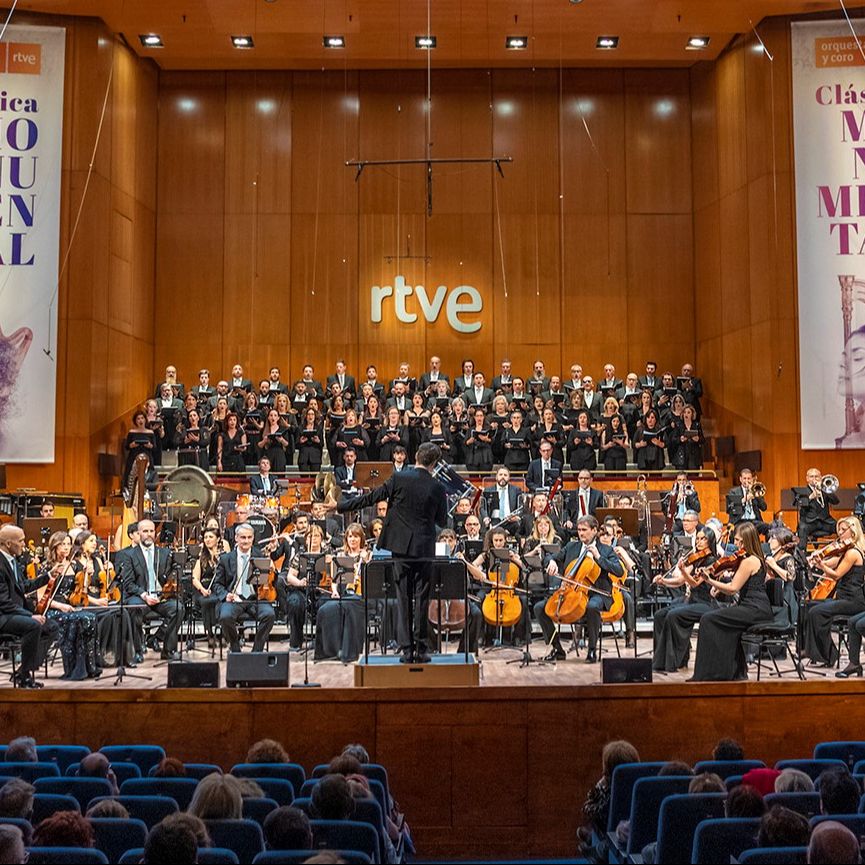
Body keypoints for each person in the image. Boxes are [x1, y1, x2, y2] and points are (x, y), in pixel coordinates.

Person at [336, 442, 448, 663]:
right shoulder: (437, 486)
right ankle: (421, 649)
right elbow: (441, 521)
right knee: (422, 598)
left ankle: (407, 650)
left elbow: (371, 498)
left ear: (415, 456)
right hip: (424, 547)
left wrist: (342, 506)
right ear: (434, 463)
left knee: (403, 597)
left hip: (400, 547)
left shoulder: (399, 478)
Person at [690, 522, 774, 681]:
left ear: (747, 541)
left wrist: (710, 581)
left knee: (708, 619)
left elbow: (733, 588)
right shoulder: (752, 558)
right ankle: (732, 672)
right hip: (754, 607)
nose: (735, 544)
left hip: (755, 609)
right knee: (722, 622)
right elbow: (736, 585)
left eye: (738, 541)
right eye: (736, 540)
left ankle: (709, 673)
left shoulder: (749, 561)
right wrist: (719, 586)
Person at [538, 516, 625, 663]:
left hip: (598, 593)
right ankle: (558, 649)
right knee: (540, 608)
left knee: (592, 606)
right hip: (572, 592)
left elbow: (619, 571)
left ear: (594, 531)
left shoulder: (606, 550)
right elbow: (551, 557)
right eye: (579, 530)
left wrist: (598, 557)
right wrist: (551, 562)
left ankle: (592, 650)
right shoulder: (572, 547)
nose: (581, 533)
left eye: (584, 530)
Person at [651, 527, 718, 673]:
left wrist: (682, 569)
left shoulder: (711, 561)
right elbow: (681, 581)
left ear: (710, 541)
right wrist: (664, 581)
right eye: (698, 538)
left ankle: (674, 660)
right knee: (659, 615)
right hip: (692, 600)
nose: (699, 541)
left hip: (705, 603)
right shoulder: (697, 559)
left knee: (673, 615)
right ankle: (660, 659)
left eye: (703, 539)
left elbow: (694, 583)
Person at [803, 516, 865, 669]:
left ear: (853, 531)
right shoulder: (847, 551)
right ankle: (814, 651)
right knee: (809, 606)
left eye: (844, 530)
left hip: (853, 602)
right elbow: (835, 561)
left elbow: (836, 574)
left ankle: (829, 655)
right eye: (839, 530)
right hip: (844, 599)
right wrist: (816, 561)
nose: (840, 534)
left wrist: (822, 567)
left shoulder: (853, 553)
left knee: (816, 612)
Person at [0, 524, 58, 688]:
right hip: (3, 615)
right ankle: (25, 676)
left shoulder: (12, 561)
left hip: (14, 613)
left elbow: (23, 586)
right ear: (9, 544)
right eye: (21, 541)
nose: (25, 544)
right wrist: (29, 615)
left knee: (51, 626)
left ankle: (22, 671)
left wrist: (48, 576)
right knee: (33, 625)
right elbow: (3, 602)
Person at [118, 519, 183, 662]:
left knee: (178, 608)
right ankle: (137, 650)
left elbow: (171, 576)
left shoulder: (164, 553)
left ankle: (168, 650)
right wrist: (144, 595)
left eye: (151, 531)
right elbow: (128, 583)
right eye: (145, 531)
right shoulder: (129, 555)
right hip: (139, 595)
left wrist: (166, 591)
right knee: (134, 608)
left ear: (155, 533)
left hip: (160, 597)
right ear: (138, 533)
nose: (148, 534)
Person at [212, 523, 274, 653]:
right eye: (243, 537)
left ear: (253, 538)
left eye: (249, 537)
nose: (246, 541)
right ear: (236, 538)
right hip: (235, 599)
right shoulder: (225, 559)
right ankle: (235, 648)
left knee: (269, 614)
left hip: (255, 598)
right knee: (225, 616)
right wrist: (225, 595)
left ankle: (257, 651)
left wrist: (273, 570)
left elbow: (270, 581)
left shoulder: (261, 556)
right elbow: (217, 585)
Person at [577, 740, 640, 860]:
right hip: (632, 837)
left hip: (617, 837)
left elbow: (590, 810)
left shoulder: (609, 793)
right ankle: (592, 839)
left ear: (606, 772)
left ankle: (598, 848)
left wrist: (600, 785)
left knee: (606, 832)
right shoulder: (642, 788)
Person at [314, 524, 368, 663]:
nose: (353, 540)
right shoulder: (340, 556)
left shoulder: (368, 556)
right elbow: (334, 580)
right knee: (324, 610)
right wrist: (335, 591)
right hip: (343, 596)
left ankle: (348, 653)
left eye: (356, 536)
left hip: (360, 597)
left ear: (361, 539)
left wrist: (366, 561)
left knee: (349, 607)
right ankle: (329, 652)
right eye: (350, 536)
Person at [191, 527, 224, 649]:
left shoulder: (223, 557)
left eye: (211, 537)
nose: (208, 540)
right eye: (205, 537)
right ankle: (210, 634)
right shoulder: (201, 557)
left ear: (218, 539)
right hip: (204, 588)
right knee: (207, 601)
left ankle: (222, 633)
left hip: (218, 587)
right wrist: (202, 589)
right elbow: (194, 578)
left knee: (220, 600)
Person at [796, 468, 839, 549]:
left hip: (825, 521)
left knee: (841, 526)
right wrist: (811, 497)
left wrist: (826, 490)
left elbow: (836, 501)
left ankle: (841, 550)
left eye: (817, 477)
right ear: (807, 478)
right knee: (802, 529)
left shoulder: (825, 489)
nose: (814, 479)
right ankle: (801, 554)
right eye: (811, 476)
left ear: (821, 478)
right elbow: (800, 504)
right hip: (809, 522)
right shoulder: (801, 491)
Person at [726, 468, 769, 537]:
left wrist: (757, 495)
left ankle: (768, 547)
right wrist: (745, 499)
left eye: (749, 478)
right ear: (740, 479)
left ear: (752, 479)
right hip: (739, 521)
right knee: (735, 530)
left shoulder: (756, 490)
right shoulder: (734, 492)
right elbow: (730, 509)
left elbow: (764, 508)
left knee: (768, 528)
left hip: (754, 521)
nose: (747, 481)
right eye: (744, 478)